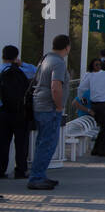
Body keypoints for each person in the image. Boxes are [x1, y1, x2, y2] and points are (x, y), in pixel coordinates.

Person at [28, 34, 70, 190]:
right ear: (67, 47)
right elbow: (55, 86)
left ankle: (39, 174)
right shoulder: (58, 63)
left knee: (42, 142)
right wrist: (59, 106)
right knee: (48, 144)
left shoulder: (45, 59)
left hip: (40, 105)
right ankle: (37, 177)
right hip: (49, 108)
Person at [1, 45, 31, 180]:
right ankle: (21, 170)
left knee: (2, 142)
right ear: (16, 57)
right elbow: (36, 71)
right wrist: (22, 64)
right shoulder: (22, 71)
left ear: (2, 55)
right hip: (20, 111)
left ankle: (1, 170)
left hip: (3, 111)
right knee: (21, 142)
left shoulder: (1, 70)